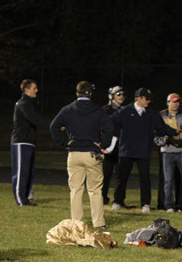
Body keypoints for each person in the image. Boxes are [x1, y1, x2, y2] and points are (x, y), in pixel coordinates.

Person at [49, 81, 114, 228]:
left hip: (74, 154)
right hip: (92, 153)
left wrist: (64, 142)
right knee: (95, 190)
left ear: (76, 93)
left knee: (75, 190)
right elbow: (109, 127)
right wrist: (103, 144)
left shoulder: (67, 109)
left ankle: (77, 223)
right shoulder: (98, 110)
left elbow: (53, 126)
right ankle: (98, 223)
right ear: (90, 94)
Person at [109, 87, 178, 213]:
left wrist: (174, 131)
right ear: (138, 99)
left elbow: (161, 127)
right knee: (121, 177)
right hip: (126, 150)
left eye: (150, 99)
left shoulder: (151, 113)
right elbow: (111, 122)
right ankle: (117, 201)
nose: (148, 101)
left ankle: (145, 204)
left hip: (143, 151)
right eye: (146, 98)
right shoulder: (125, 110)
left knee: (145, 178)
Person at [155, 93, 182, 214]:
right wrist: (164, 140)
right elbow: (156, 136)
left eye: (178, 102)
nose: (176, 104)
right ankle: (169, 205)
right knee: (168, 181)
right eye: (173, 101)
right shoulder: (162, 118)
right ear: (168, 103)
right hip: (167, 152)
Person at [10, 78, 48, 206]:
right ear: (26, 89)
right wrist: (54, 124)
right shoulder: (23, 104)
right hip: (21, 142)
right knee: (21, 172)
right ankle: (21, 200)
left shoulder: (29, 103)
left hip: (28, 142)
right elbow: (35, 119)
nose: (37, 90)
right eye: (34, 88)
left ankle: (25, 197)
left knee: (28, 172)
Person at [101, 85, 125, 205]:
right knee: (106, 174)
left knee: (121, 176)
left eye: (122, 94)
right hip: (109, 146)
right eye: (118, 94)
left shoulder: (126, 110)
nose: (121, 96)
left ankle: (119, 200)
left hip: (122, 146)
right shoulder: (105, 110)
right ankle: (102, 198)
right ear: (112, 96)